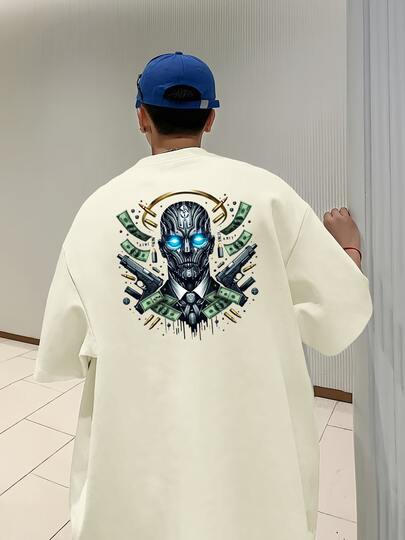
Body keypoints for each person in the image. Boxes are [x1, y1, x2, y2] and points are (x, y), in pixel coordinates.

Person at [33, 52, 373, 540]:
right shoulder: (270, 196)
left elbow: (62, 352)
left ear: (141, 117)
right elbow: (340, 308)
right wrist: (349, 249)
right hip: (252, 476)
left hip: (141, 480)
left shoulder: (95, 213)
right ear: (211, 118)